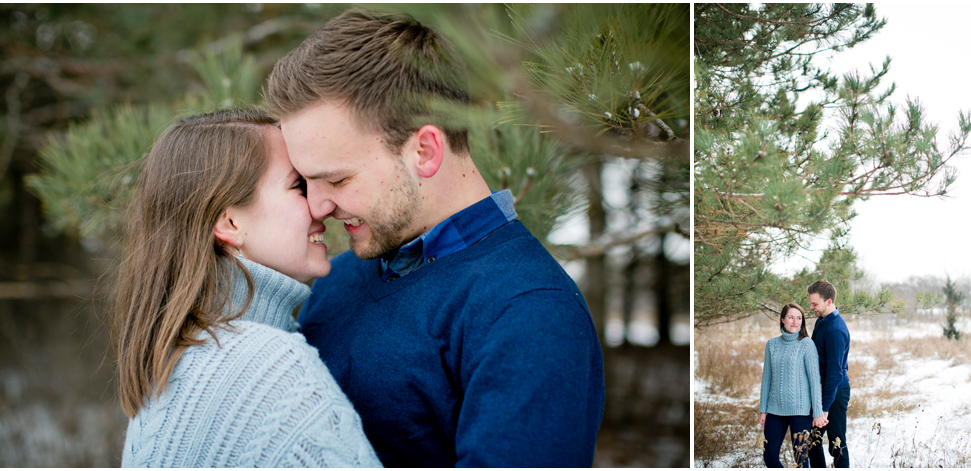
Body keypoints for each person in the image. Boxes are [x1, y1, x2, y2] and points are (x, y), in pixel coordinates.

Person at [265, 9, 605, 467]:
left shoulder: (529, 310)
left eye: (338, 180)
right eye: (306, 182)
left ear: (424, 151)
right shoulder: (338, 277)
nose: (318, 206)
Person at [114, 108, 381, 467]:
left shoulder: (168, 372)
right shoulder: (271, 366)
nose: (321, 206)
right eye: (298, 186)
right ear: (229, 221)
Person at [758, 303, 826, 468]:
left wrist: (817, 413)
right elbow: (766, 379)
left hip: (801, 411)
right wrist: (763, 410)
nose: (795, 322)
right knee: (770, 457)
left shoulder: (807, 344)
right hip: (775, 410)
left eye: (799, 318)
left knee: (801, 460)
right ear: (782, 320)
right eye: (791, 317)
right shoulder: (771, 344)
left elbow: (814, 381)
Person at [806, 280, 851, 468]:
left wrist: (824, 408)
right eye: (811, 303)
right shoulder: (822, 321)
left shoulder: (836, 330)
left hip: (835, 393)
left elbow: (834, 373)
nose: (811, 307)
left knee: (837, 445)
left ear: (829, 302)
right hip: (822, 390)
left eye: (815, 304)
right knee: (811, 442)